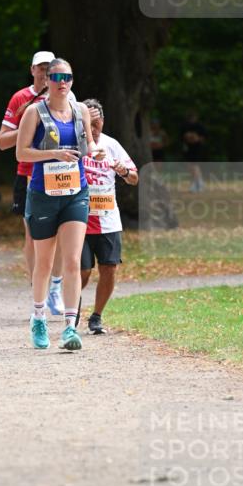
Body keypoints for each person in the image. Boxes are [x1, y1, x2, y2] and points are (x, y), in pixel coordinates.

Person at [16, 58, 101, 351]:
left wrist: (97, 154)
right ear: (46, 81)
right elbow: (21, 153)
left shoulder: (80, 111)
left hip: (76, 192)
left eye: (67, 76)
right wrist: (53, 155)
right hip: (42, 194)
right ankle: (38, 317)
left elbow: (87, 145)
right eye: (56, 77)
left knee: (72, 261)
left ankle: (69, 326)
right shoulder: (33, 112)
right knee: (44, 263)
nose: (62, 82)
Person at [0, 51, 65, 316]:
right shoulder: (20, 98)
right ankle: (37, 288)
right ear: (32, 70)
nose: (45, 72)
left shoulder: (64, 95)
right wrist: (27, 123)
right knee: (33, 235)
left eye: (49, 68)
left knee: (59, 234)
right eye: (40, 68)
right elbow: (2, 142)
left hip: (58, 171)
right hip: (28, 172)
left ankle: (56, 288)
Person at [80, 98, 138, 335]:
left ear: (103, 121)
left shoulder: (112, 144)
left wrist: (120, 169)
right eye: (88, 122)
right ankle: (71, 309)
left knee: (109, 268)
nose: (93, 128)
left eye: (97, 123)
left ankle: (96, 316)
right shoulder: (74, 143)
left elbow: (134, 177)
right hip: (79, 220)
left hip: (107, 219)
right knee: (81, 272)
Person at [181, 110, 206, 191]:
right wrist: (192, 138)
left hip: (197, 148)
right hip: (188, 149)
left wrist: (194, 138)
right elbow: (185, 137)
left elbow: (201, 138)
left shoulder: (199, 126)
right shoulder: (185, 126)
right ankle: (198, 182)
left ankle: (197, 183)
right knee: (190, 166)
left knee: (194, 165)